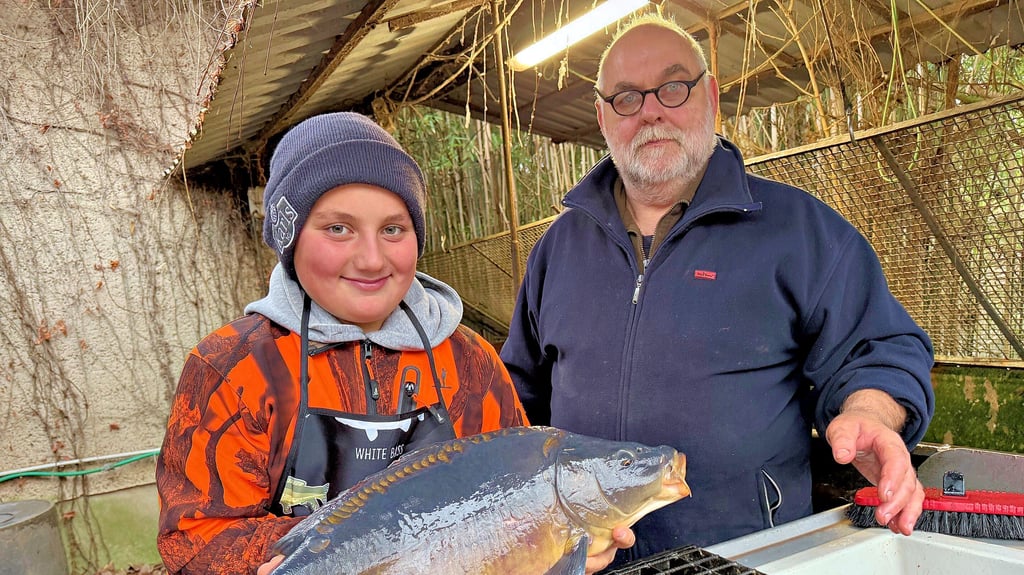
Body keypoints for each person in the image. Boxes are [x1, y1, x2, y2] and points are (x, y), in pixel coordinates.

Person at [500, 14, 936, 567]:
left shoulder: (798, 232)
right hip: (585, 562)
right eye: (627, 98)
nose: (652, 110)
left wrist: (870, 414)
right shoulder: (557, 250)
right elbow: (517, 399)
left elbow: (877, 350)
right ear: (602, 117)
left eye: (673, 88)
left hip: (745, 559)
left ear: (710, 95)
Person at [155, 112, 542, 574]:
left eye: (393, 229)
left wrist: (559, 538)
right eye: (338, 228)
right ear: (291, 238)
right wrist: (350, 553)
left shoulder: (469, 362)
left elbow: (518, 492)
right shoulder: (236, 368)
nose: (372, 258)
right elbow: (194, 534)